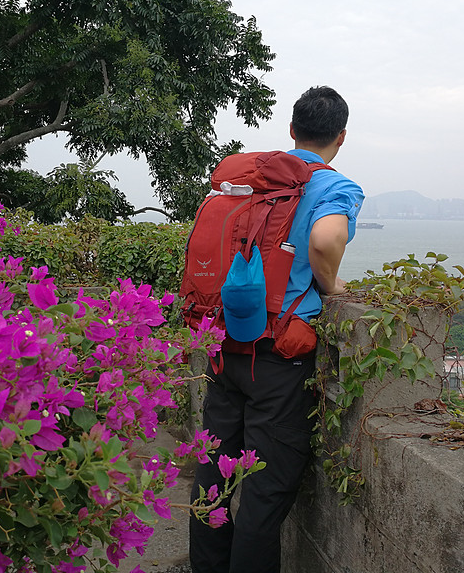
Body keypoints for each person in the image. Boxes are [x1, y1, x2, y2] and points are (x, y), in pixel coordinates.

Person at [189, 86, 364, 573]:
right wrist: (328, 283)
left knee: (214, 475)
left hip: (225, 344)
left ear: (291, 130)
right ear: (341, 137)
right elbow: (327, 237)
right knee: (264, 494)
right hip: (279, 357)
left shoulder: (255, 176)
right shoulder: (334, 187)